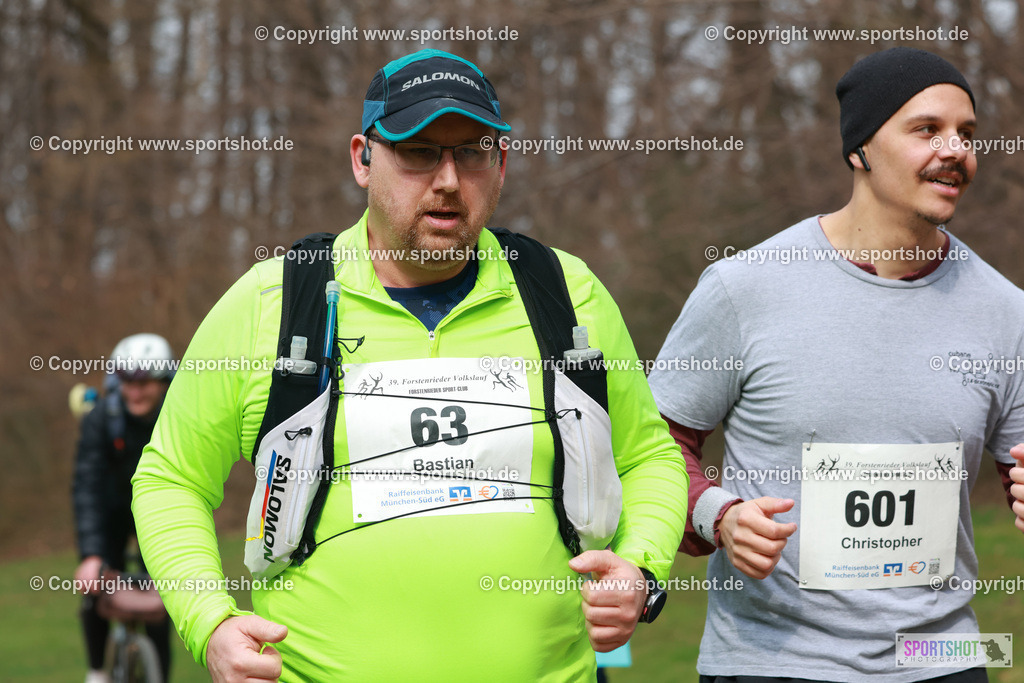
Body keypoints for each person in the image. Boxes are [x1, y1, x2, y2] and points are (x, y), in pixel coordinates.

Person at [131, 48, 687, 681]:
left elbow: (648, 456)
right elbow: (172, 478)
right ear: (362, 160)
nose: (448, 179)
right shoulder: (274, 301)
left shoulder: (567, 293)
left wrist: (641, 568)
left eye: (471, 152)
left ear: (501, 164)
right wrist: (209, 621)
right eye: (418, 152)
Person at [649, 46, 1024, 682]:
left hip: (942, 657)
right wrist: (719, 516)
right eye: (927, 129)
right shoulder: (745, 287)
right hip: (776, 660)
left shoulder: (1006, 309)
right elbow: (650, 448)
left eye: (967, 133)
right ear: (860, 150)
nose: (956, 150)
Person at [73, 333, 176, 683]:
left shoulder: (178, 418)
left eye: (144, 383)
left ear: (164, 382)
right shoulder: (101, 419)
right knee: (95, 585)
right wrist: (91, 555)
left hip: (159, 512)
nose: (135, 392)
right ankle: (97, 672)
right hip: (110, 512)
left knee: (162, 598)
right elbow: (87, 486)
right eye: (127, 382)